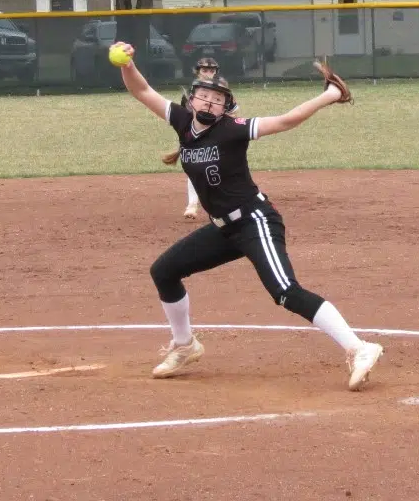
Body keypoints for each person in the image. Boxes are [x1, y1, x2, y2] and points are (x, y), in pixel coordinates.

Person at [112, 40, 384, 392]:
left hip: (255, 221)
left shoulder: (233, 130)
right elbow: (141, 89)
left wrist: (330, 95)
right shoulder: (182, 123)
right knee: (164, 271)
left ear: (227, 107)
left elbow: (287, 120)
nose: (209, 102)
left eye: (218, 99)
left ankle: (359, 348)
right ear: (190, 99)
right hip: (223, 229)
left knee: (285, 291)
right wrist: (127, 63)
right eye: (203, 96)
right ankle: (185, 345)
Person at [169, 57, 240, 219]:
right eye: (204, 70)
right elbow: (184, 117)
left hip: (218, 133)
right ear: (197, 71)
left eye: (212, 70)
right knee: (195, 168)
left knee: (220, 169)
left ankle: (220, 206)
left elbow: (234, 110)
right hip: (197, 134)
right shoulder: (192, 91)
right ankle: (192, 205)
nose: (208, 73)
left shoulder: (222, 88)